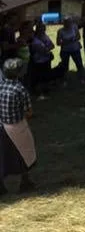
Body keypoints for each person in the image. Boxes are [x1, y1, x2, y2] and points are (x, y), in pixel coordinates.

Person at [0, 58, 37, 195]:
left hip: (2, 126)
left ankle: (1, 186)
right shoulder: (20, 89)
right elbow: (29, 112)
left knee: (3, 156)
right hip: (17, 126)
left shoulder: (1, 86)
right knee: (24, 153)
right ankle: (25, 182)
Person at [28, 22, 55, 96]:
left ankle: (46, 89)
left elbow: (52, 45)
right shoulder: (34, 39)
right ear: (37, 29)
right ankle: (38, 91)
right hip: (38, 61)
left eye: (43, 28)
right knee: (38, 76)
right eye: (41, 28)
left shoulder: (45, 36)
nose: (42, 30)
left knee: (46, 75)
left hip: (46, 59)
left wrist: (47, 49)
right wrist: (47, 49)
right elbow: (40, 50)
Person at [56, 17, 84, 81]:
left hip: (75, 50)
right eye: (66, 23)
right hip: (65, 51)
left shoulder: (74, 27)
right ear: (63, 23)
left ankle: (82, 78)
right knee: (65, 67)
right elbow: (58, 43)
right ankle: (65, 80)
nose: (68, 24)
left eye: (69, 22)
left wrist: (72, 39)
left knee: (79, 64)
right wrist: (66, 41)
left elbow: (78, 37)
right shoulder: (60, 31)